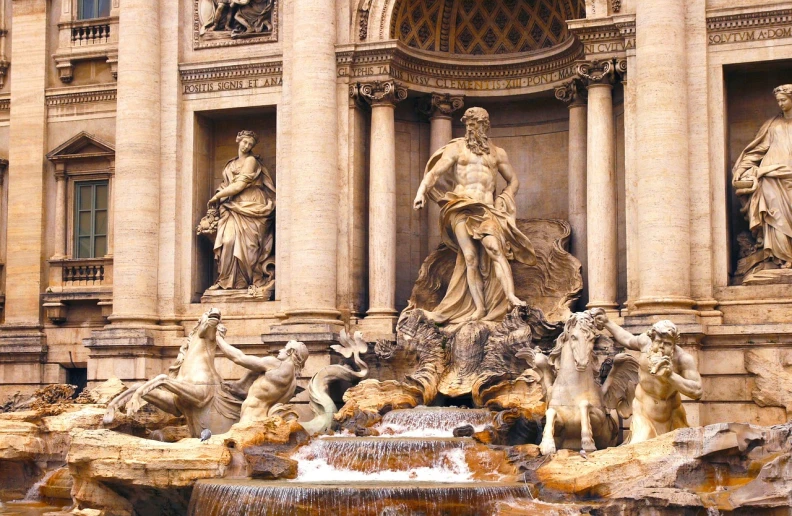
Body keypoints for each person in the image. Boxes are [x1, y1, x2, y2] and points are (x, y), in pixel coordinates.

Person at [412, 107, 536, 324]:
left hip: (486, 209)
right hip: (460, 206)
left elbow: (514, 180)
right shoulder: (457, 149)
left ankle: (510, 297)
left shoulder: (498, 153)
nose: (471, 128)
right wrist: (421, 192)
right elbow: (434, 173)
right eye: (468, 124)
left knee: (496, 249)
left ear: (485, 126)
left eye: (476, 124)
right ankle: (478, 308)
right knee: (470, 257)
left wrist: (504, 197)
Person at [592, 309, 703, 444]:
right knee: (639, 448)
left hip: (672, 414)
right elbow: (627, 339)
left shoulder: (683, 359)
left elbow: (697, 392)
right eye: (658, 342)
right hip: (643, 412)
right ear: (652, 339)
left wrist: (670, 376)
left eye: (667, 344)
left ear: (674, 345)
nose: (661, 347)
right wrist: (607, 322)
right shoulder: (645, 343)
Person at [732, 84, 792, 270]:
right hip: (770, 177)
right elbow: (756, 151)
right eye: (778, 101)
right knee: (774, 216)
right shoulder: (772, 124)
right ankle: (783, 257)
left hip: (788, 173)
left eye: (784, 100)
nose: (780, 104)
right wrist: (741, 170)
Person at [207, 130, 276, 291]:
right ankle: (225, 280)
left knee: (249, 248)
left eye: (250, 144)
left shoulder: (251, 161)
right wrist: (220, 193)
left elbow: (239, 185)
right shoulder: (230, 164)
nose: (247, 146)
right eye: (245, 142)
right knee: (228, 241)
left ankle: (243, 283)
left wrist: (217, 198)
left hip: (252, 204)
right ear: (238, 140)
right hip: (232, 206)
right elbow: (226, 184)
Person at [215, 327, 308, 423]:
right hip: (265, 421)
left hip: (251, 419)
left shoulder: (277, 365)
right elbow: (265, 397)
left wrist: (218, 338)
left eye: (284, 348)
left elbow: (239, 358)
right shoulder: (293, 383)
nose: (280, 350)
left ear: (291, 352)